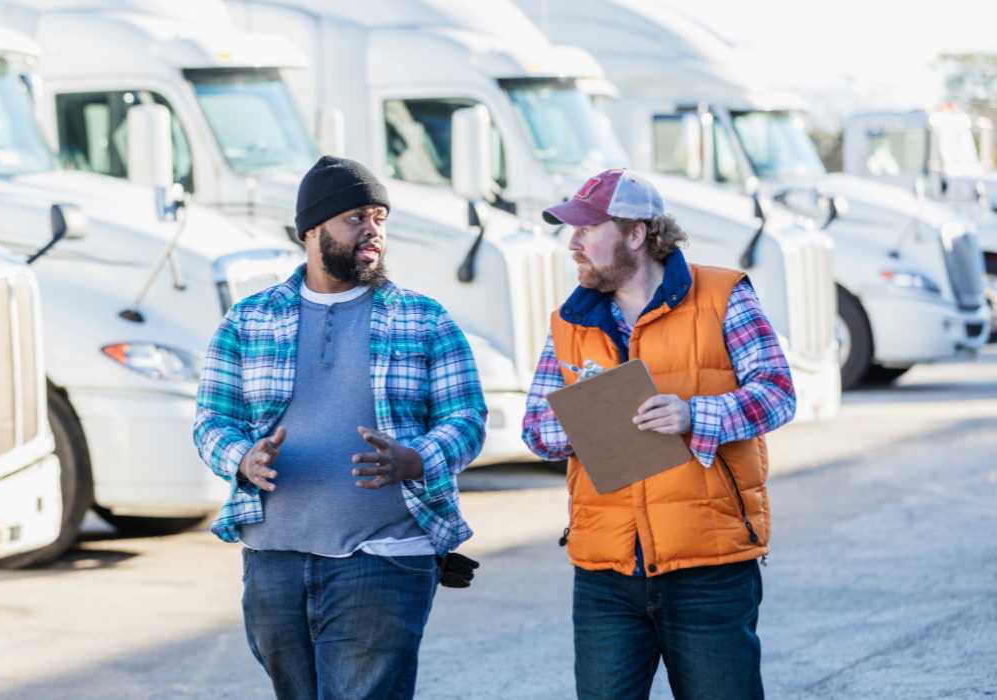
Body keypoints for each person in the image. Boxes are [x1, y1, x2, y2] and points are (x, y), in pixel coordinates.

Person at [193, 155, 487, 699]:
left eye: (379, 217)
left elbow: (466, 418)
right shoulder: (248, 319)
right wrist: (241, 458)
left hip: (384, 557)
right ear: (313, 230)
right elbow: (212, 419)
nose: (372, 230)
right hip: (273, 559)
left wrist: (415, 458)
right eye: (355, 217)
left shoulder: (425, 319)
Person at [522, 168, 797, 699]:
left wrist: (697, 415)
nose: (572, 243)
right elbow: (537, 430)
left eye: (587, 229)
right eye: (571, 231)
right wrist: (588, 419)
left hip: (709, 567)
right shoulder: (569, 322)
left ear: (636, 232)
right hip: (606, 572)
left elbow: (779, 391)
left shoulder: (723, 295)